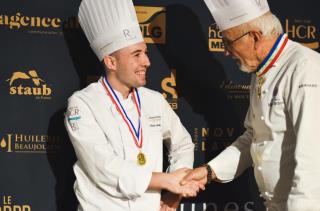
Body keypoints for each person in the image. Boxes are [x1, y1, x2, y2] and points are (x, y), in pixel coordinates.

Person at [64, 0, 203, 210]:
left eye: (145, 53)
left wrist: (175, 193)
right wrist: (166, 180)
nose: (147, 61)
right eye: (136, 55)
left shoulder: (154, 100)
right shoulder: (82, 104)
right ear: (111, 62)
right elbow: (104, 168)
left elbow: (182, 143)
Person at [182, 0, 320, 210]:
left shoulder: (304, 67)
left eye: (229, 42)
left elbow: (312, 156)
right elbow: (253, 138)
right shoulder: (260, 72)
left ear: (255, 36)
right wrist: (210, 171)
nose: (226, 51)